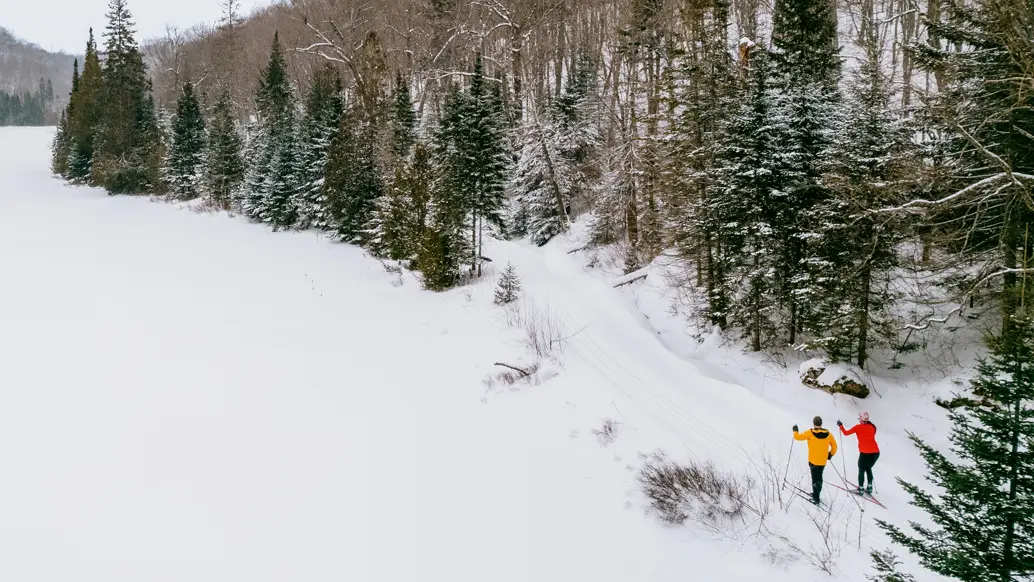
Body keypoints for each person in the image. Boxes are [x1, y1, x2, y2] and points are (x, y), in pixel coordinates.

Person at [793, 416, 837, 505]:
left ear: (814, 423)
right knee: (819, 477)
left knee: (815, 478)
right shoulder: (828, 434)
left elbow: (797, 437)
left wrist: (795, 431)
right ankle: (816, 493)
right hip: (823, 461)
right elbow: (835, 446)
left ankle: (816, 498)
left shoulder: (810, 433)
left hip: (813, 460)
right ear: (821, 424)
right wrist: (830, 454)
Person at [837, 412, 880, 495]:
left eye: (859, 418)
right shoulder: (872, 427)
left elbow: (846, 433)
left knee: (861, 469)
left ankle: (860, 488)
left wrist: (840, 425)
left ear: (861, 419)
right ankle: (870, 487)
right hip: (876, 452)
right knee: (868, 468)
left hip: (864, 453)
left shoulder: (858, 427)